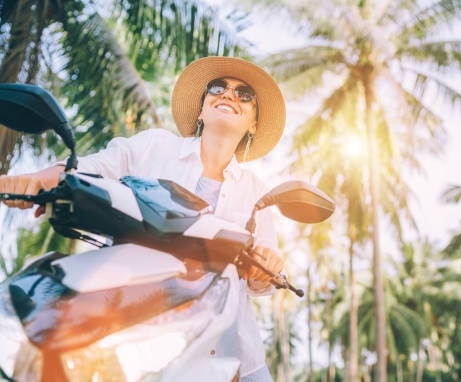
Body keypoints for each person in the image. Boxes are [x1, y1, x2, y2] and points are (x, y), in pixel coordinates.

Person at [0, 56, 287, 381]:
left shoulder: (258, 193)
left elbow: (264, 274)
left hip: (229, 348)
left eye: (244, 94)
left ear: (253, 124)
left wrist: (268, 266)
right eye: (217, 88)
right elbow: (91, 169)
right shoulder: (154, 147)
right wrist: (40, 178)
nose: (228, 95)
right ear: (202, 109)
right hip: (138, 322)